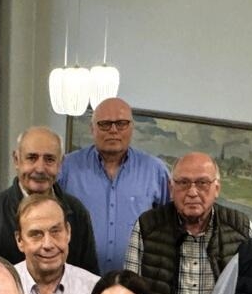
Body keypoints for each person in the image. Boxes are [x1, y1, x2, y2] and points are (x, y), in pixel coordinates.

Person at [125, 152, 252, 294]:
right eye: (183, 183)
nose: (192, 192)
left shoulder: (241, 229)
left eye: (202, 183)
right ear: (171, 188)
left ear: (217, 188)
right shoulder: (147, 226)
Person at [57, 97, 170, 272]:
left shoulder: (155, 170)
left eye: (121, 123)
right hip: (77, 279)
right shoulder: (67, 168)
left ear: (132, 127)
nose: (113, 130)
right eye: (105, 124)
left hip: (136, 281)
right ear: (92, 128)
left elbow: (170, 225)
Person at [0, 126, 99, 273]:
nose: (40, 168)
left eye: (49, 159)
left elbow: (89, 276)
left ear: (60, 164)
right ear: (16, 160)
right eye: (32, 158)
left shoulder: (76, 212)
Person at [15, 195, 100, 294]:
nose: (48, 244)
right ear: (19, 240)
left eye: (56, 232)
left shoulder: (95, 290)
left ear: (68, 232)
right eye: (36, 234)